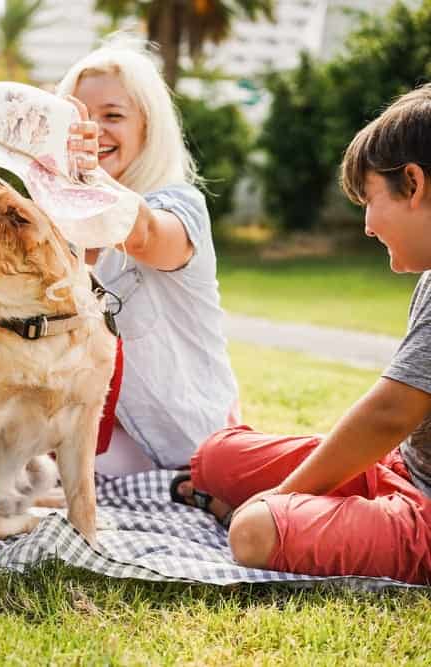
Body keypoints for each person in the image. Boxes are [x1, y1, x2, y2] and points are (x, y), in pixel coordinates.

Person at [173, 84, 431, 584]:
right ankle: (287, 508)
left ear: (414, 184)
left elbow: (389, 414)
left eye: (369, 201)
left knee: (253, 531)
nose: (367, 228)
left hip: (424, 512)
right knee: (213, 457)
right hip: (399, 470)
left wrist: (285, 495)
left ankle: (256, 515)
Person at [53, 35, 240, 473]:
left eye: (112, 116)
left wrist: (88, 174)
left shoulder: (179, 203)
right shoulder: (59, 228)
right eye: (76, 120)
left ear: (147, 128)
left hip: (194, 443)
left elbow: (144, 236)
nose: (92, 133)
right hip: (113, 442)